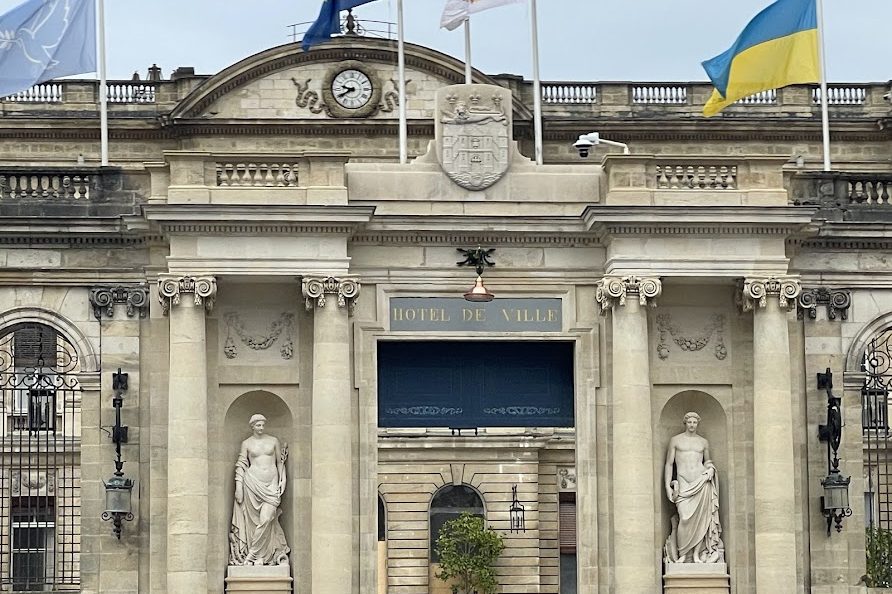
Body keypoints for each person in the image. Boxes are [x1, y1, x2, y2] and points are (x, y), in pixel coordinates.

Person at [663, 412, 725, 564]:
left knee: (701, 521)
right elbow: (669, 464)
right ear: (685, 423)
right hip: (683, 482)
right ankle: (683, 554)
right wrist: (667, 486)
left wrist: (710, 469)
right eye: (689, 422)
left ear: (698, 423)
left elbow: (707, 461)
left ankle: (696, 556)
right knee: (684, 518)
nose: (692, 424)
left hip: (701, 481)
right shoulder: (675, 440)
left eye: (694, 422)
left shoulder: (703, 442)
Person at [229, 414, 290, 566]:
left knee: (266, 519)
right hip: (251, 484)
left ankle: (251, 555)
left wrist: (283, 480)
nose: (261, 428)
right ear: (252, 426)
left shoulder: (273, 441)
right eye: (258, 425)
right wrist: (238, 487)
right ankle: (260, 557)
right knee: (254, 523)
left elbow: (279, 462)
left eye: (263, 425)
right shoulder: (247, 443)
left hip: (271, 485)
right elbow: (241, 464)